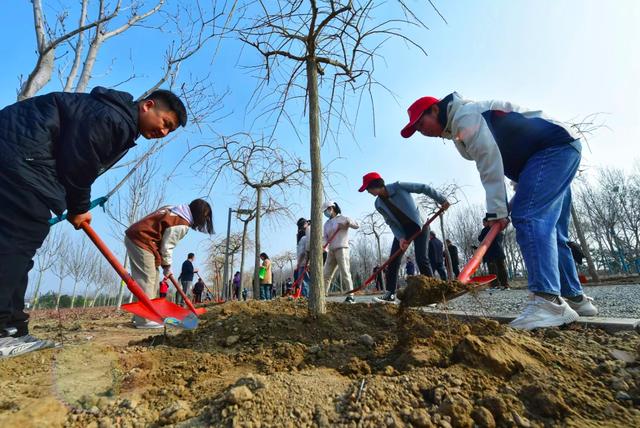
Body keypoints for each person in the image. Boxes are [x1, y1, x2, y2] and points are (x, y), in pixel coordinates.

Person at [0, 87, 187, 357]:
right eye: (165, 123)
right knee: (15, 246)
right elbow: (79, 163)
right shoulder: (113, 119)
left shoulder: (112, 114)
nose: (163, 133)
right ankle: (5, 331)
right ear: (147, 106)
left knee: (18, 248)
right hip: (22, 161)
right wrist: (78, 208)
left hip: (20, 158)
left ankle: (15, 329)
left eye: (170, 131)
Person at [401, 92, 598, 328]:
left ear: (435, 110)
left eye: (421, 124)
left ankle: (548, 302)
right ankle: (575, 299)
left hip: (552, 150)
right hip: (552, 153)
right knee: (554, 231)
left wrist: (497, 211)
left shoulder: (466, 115)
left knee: (529, 217)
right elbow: (506, 150)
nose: (422, 132)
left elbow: (489, 160)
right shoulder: (460, 127)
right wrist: (521, 184)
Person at [359, 172, 449, 303]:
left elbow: (423, 188)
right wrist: (400, 238)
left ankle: (433, 294)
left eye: (368, 188)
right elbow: (390, 222)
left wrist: (442, 200)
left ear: (376, 184)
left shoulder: (399, 186)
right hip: (403, 231)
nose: (368, 192)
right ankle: (390, 294)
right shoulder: (378, 204)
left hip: (420, 225)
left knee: (421, 258)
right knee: (393, 260)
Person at [125, 199, 213, 328]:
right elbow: (167, 246)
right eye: (204, 216)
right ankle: (144, 320)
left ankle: (140, 314)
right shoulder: (181, 222)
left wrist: (163, 263)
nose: (204, 219)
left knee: (153, 279)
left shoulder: (175, 209)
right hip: (141, 239)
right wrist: (167, 266)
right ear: (198, 213)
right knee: (147, 279)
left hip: (144, 240)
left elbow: (161, 238)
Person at [322, 201, 359, 303]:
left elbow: (357, 225)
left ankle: (351, 296)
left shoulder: (342, 218)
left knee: (345, 272)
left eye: (326, 211)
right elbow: (324, 237)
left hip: (342, 248)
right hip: (331, 250)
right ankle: (322, 295)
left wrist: (347, 223)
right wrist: (323, 246)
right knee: (326, 274)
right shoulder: (326, 224)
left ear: (331, 208)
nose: (325, 213)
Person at [478, 218, 510, 290]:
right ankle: (505, 285)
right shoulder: (499, 230)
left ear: (488, 222)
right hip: (499, 252)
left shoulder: (486, 230)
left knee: (493, 270)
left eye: (484, 223)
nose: (483, 224)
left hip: (491, 253)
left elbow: (480, 238)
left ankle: (495, 285)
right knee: (501, 269)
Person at [295, 218, 311, 298]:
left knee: (304, 281)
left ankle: (306, 297)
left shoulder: (303, 239)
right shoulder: (306, 238)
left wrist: (299, 263)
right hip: (304, 262)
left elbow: (302, 253)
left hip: (303, 263)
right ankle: (304, 295)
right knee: (303, 281)